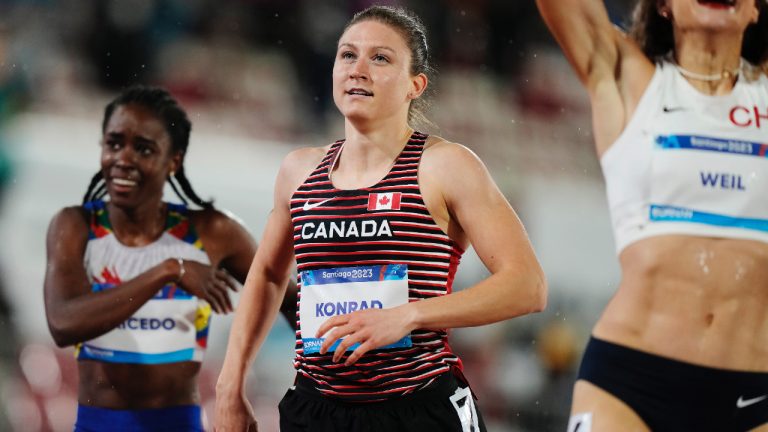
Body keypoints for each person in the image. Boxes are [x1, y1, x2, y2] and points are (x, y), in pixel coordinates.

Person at [214, 5, 547, 432]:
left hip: (418, 407)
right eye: (347, 55)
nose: (358, 69)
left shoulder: (443, 166)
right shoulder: (298, 172)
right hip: (316, 410)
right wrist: (230, 381)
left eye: (381, 58)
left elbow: (528, 285)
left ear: (415, 85)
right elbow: (268, 274)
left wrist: (408, 315)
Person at [536, 0, 768, 430]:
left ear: (757, 10)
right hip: (628, 384)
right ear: (663, 5)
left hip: (753, 391)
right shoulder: (626, 76)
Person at [43, 85, 297, 431]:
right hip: (96, 423)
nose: (123, 159)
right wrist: (169, 271)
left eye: (143, 148)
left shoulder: (214, 232)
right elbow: (63, 323)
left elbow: (290, 301)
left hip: (178, 422)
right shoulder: (75, 226)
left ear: (173, 160)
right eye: (113, 143)